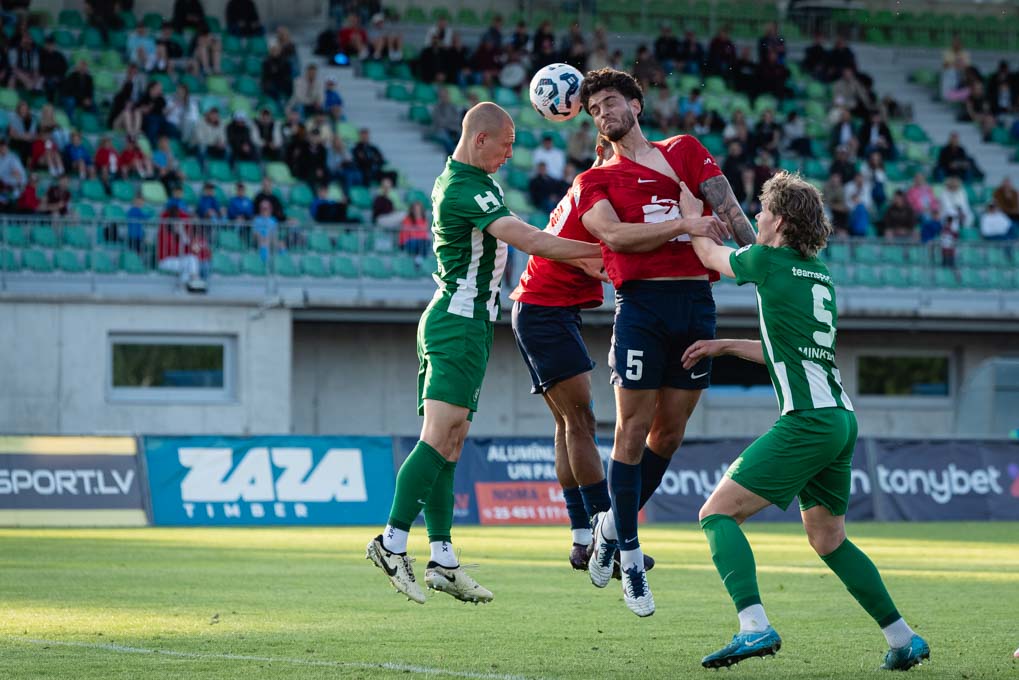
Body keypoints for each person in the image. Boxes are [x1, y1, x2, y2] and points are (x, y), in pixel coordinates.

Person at [680, 171, 930, 671]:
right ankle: (903, 639)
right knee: (828, 539)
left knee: (716, 514)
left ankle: (754, 626)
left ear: (780, 221)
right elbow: (787, 349)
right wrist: (725, 345)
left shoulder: (765, 260)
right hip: (840, 418)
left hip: (808, 420)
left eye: (763, 210)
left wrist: (687, 212)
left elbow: (708, 254)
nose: (756, 216)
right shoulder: (818, 275)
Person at [366, 102, 603, 606]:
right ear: (480, 140)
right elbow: (530, 239)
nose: (510, 155)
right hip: (455, 323)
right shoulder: (464, 188)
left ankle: (443, 559)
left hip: (469, 324)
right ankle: (391, 541)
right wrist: (597, 253)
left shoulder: (474, 181)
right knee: (437, 438)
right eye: (506, 145)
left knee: (452, 443)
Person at [574, 68, 751, 617]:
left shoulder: (684, 151)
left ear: (635, 105)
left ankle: (609, 527)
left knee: (668, 433)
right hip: (641, 307)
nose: (603, 114)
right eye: (594, 110)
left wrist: (766, 268)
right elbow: (615, 236)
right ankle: (630, 558)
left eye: (610, 102)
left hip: (696, 303)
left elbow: (730, 211)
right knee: (630, 429)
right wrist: (683, 225)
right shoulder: (594, 180)